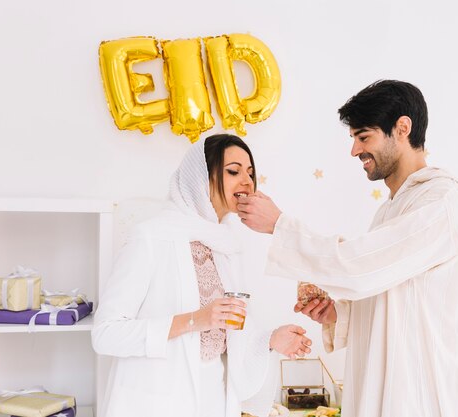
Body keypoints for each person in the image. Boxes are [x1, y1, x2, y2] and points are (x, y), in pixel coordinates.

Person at [237, 80, 458, 417]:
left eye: (364, 136)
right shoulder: (391, 210)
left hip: (421, 395)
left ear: (402, 128)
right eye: (354, 139)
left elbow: (359, 267)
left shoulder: (441, 203)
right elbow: (394, 299)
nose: (355, 151)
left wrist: (280, 225)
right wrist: (338, 315)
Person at [92, 134, 312, 417]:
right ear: (200, 178)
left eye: (251, 173)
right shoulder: (151, 236)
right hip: (155, 403)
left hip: (213, 399)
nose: (247, 181)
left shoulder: (225, 245)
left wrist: (271, 339)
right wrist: (196, 319)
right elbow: (105, 334)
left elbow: (228, 336)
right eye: (233, 171)